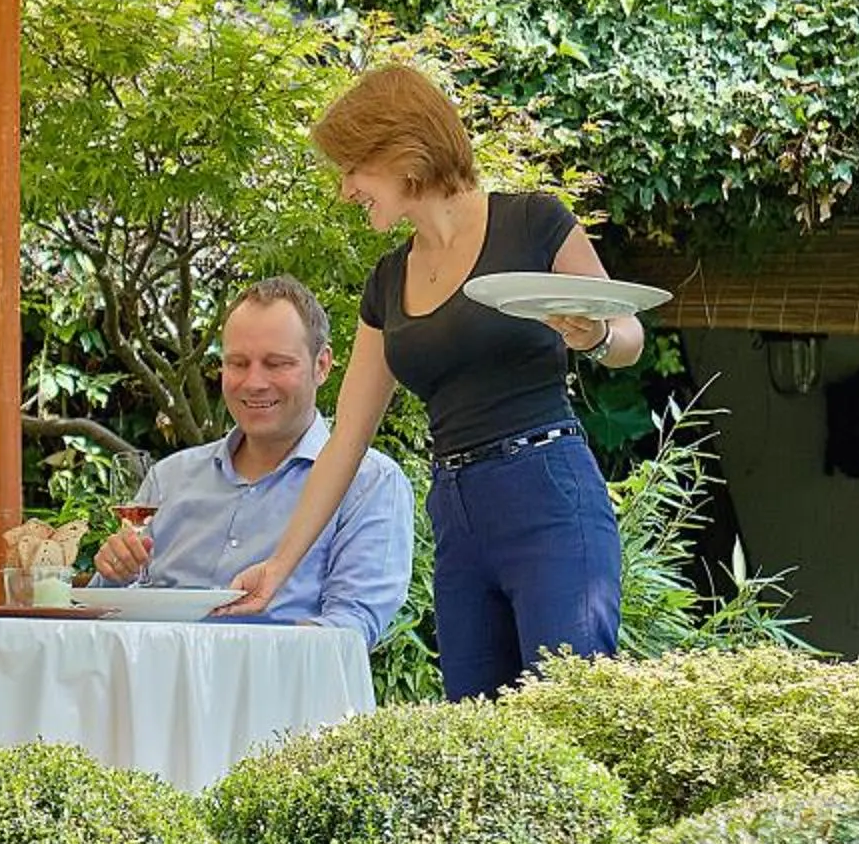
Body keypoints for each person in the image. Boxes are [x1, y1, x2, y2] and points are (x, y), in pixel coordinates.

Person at [225, 65, 643, 698]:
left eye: (354, 169)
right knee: (475, 729)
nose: (346, 190)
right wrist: (279, 567)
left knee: (568, 711)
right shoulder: (388, 281)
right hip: (456, 511)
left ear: (402, 152)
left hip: (547, 492)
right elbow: (346, 441)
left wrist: (596, 335)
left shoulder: (532, 222)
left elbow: (630, 334)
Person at [90, 277, 412, 644]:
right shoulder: (168, 479)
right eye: (238, 363)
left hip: (278, 678)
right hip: (154, 675)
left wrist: (241, 656)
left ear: (322, 365)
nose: (254, 382)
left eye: (276, 364)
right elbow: (104, 618)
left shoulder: (369, 483)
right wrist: (115, 573)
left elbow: (349, 629)